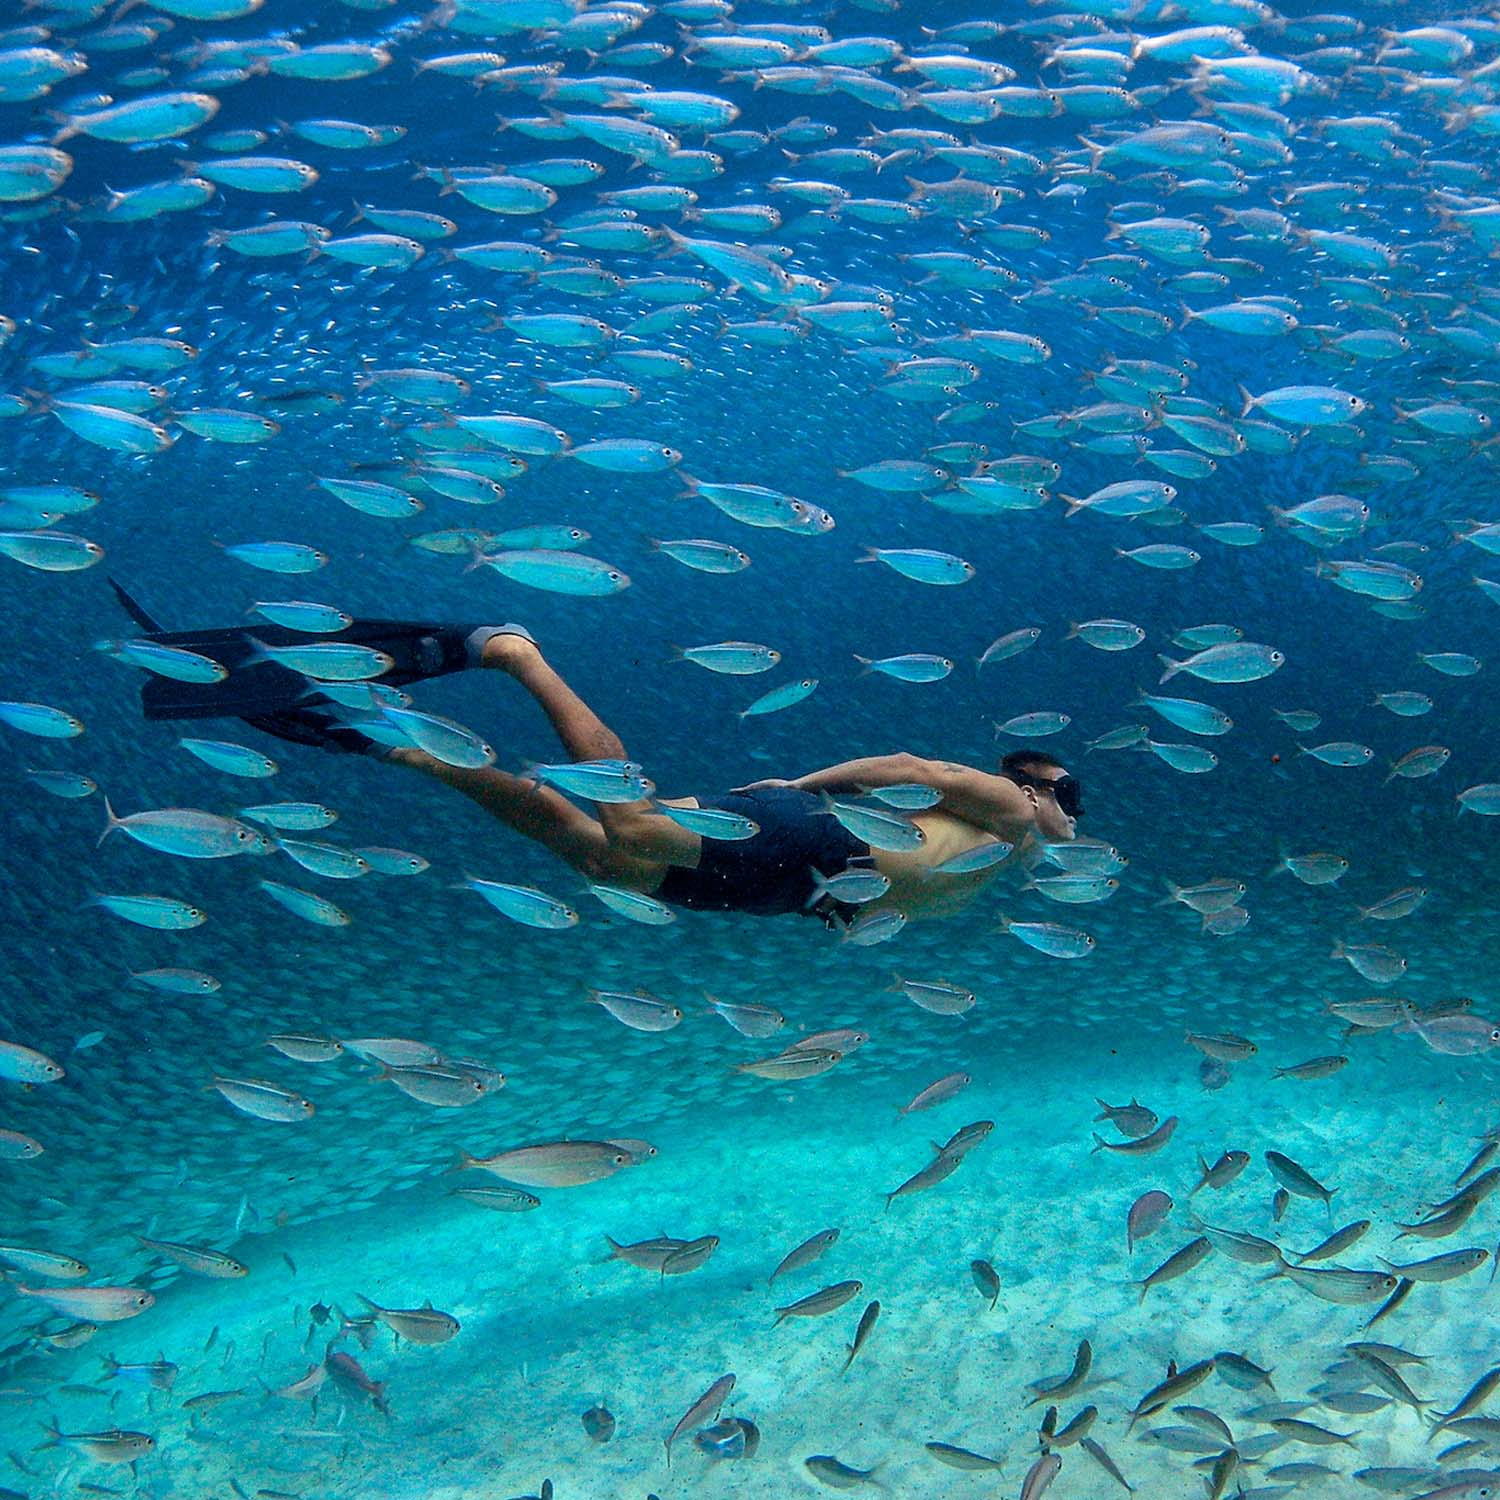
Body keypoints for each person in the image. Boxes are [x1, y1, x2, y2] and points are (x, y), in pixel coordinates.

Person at [109, 586, 1082, 926]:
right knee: (636, 823)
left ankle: (415, 753)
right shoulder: (1010, 807)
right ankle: (517, 655)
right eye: (1066, 795)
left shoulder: (1002, 862)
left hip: (800, 887)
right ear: (1039, 788)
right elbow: (916, 764)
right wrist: (802, 784)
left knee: (605, 861)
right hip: (826, 838)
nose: (1070, 815)